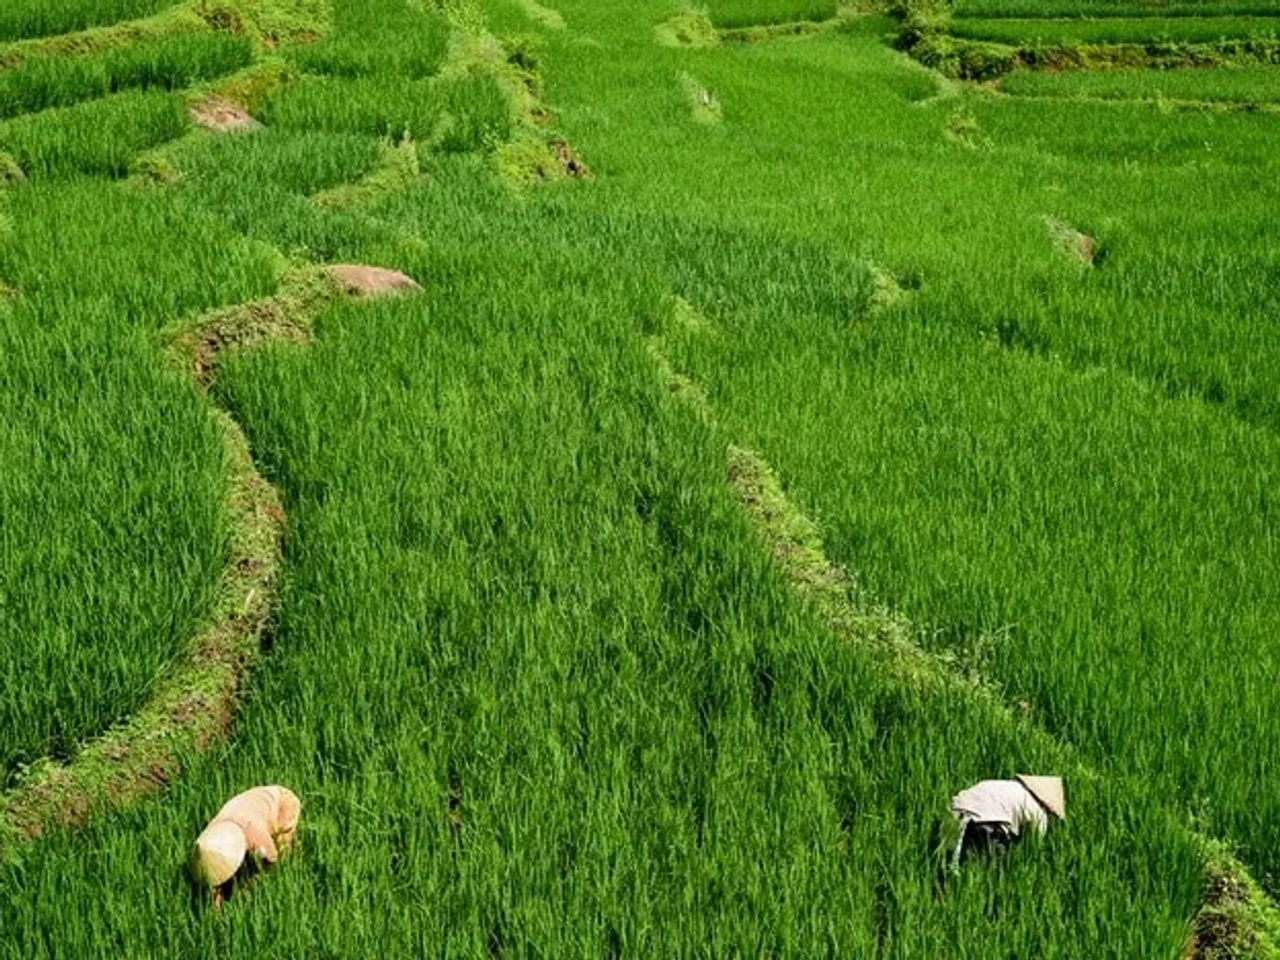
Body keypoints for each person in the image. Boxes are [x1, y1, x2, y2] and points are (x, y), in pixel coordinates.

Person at [949, 775, 1065, 870]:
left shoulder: (1006, 786)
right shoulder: (1039, 812)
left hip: (955, 811)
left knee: (950, 863)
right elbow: (1031, 849)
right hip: (985, 825)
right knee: (989, 870)